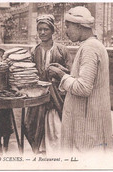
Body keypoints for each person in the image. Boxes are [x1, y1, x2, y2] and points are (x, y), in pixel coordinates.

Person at [48, 6, 113, 154]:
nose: (66, 30)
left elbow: (83, 88)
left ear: (79, 26)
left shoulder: (90, 48)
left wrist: (61, 75)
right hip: (90, 118)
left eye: (68, 26)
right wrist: (67, 73)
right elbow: (88, 78)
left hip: (87, 123)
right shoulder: (93, 45)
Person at [24, 14, 72, 155]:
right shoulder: (33, 51)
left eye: (46, 29)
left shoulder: (62, 50)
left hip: (57, 96)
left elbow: (70, 72)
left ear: (52, 31)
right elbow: (28, 72)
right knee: (33, 125)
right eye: (40, 29)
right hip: (39, 95)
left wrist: (57, 72)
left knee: (56, 127)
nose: (43, 32)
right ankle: (39, 151)